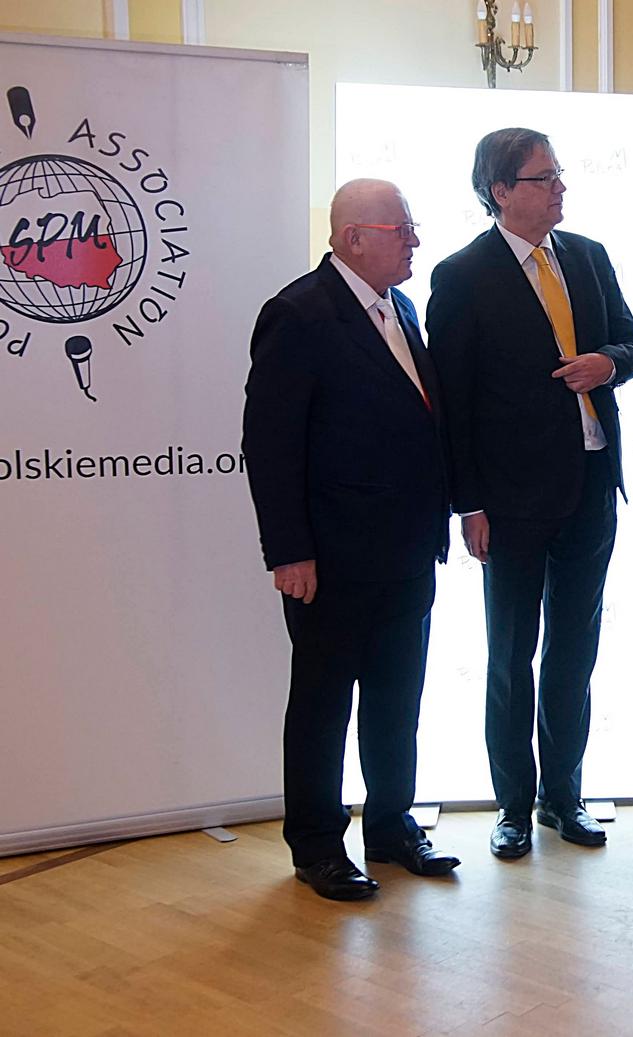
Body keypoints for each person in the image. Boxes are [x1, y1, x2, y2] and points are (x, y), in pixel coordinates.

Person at [428, 128, 633, 858]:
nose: (559, 188)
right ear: (500, 191)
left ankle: (563, 796)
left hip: (590, 485)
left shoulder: (588, 256)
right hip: (510, 501)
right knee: (510, 655)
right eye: (543, 177)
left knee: (575, 650)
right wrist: (469, 504)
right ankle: (513, 806)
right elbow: (453, 403)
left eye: (559, 175)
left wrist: (606, 364)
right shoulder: (462, 275)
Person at [242, 179, 457, 901]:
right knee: (323, 704)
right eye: (402, 229)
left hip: (406, 550)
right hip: (330, 559)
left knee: (397, 697)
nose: (415, 240)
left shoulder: (402, 307)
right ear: (352, 238)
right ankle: (316, 844)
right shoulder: (298, 314)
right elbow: (270, 445)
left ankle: (391, 826)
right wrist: (288, 550)